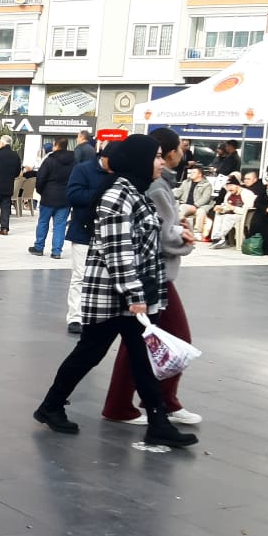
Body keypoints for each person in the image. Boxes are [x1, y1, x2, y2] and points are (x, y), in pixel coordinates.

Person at [34, 134, 197, 449]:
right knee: (89, 353)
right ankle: (51, 406)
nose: (161, 162)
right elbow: (118, 252)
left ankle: (158, 423)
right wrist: (135, 297)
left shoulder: (134, 192)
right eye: (156, 157)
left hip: (128, 295)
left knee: (137, 359)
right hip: (114, 297)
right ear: (139, 160)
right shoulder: (118, 196)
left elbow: (143, 239)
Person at [100, 127, 202, 428]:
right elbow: (159, 235)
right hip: (153, 275)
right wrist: (184, 239)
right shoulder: (154, 187)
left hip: (148, 275)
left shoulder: (153, 184)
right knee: (173, 337)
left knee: (135, 341)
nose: (181, 154)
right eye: (177, 149)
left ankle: (129, 403)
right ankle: (157, 402)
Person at [64, 141, 114, 334]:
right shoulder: (83, 169)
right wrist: (103, 194)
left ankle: (95, 315)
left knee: (104, 278)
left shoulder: (118, 173)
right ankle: (75, 317)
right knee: (80, 275)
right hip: (83, 230)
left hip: (108, 233)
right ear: (104, 157)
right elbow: (73, 195)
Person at [29, 138, 74, 259]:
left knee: (43, 222)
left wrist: (41, 191)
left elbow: (40, 178)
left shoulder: (49, 160)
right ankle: (56, 251)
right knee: (60, 225)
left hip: (48, 196)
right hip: (65, 198)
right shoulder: (74, 161)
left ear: (55, 145)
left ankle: (39, 247)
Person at [207, 174, 254, 249]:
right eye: (227, 186)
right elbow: (226, 205)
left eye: (231, 185)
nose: (229, 188)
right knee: (218, 214)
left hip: (244, 215)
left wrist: (233, 208)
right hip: (231, 214)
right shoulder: (229, 194)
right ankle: (216, 238)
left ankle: (220, 238)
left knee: (228, 217)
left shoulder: (246, 194)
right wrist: (221, 209)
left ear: (237, 185)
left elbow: (246, 210)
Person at [174, 165, 214, 237]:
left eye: (194, 172)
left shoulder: (207, 185)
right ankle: (178, 229)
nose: (191, 174)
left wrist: (196, 205)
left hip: (201, 206)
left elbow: (206, 198)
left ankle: (197, 233)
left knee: (201, 212)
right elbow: (179, 191)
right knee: (181, 208)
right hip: (186, 205)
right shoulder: (186, 182)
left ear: (200, 174)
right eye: (191, 172)